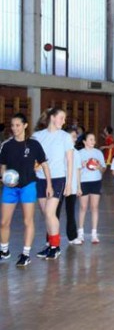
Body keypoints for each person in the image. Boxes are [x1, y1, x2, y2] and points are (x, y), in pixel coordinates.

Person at [0, 113, 51, 267]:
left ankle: (26, 254)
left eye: (18, 125)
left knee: (27, 221)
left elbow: (44, 165)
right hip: (10, 188)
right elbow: (2, 166)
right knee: (4, 222)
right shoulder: (7, 146)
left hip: (28, 186)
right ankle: (4, 251)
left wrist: (49, 184)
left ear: (25, 125)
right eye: (12, 125)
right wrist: (3, 177)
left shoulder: (34, 145)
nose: (14, 128)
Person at [32, 107, 74, 260]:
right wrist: (34, 166)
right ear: (52, 118)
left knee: (50, 213)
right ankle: (51, 245)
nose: (64, 121)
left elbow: (70, 161)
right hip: (40, 179)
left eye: (64, 118)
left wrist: (69, 184)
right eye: (61, 118)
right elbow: (33, 158)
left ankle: (55, 247)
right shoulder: (37, 136)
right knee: (46, 215)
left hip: (57, 179)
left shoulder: (65, 137)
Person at [55, 127, 83, 246]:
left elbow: (78, 170)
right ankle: (51, 239)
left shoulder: (76, 153)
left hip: (72, 187)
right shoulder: (58, 151)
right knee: (54, 213)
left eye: (76, 137)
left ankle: (72, 237)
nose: (75, 139)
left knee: (71, 212)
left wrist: (78, 187)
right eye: (73, 136)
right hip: (59, 185)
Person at [78, 132, 107, 244]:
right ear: (84, 141)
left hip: (96, 182)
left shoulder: (98, 153)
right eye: (90, 139)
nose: (93, 141)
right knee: (83, 207)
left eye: (94, 139)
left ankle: (94, 234)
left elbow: (103, 169)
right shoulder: (79, 153)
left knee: (94, 207)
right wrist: (82, 165)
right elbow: (76, 170)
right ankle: (80, 233)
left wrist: (99, 167)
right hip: (83, 182)